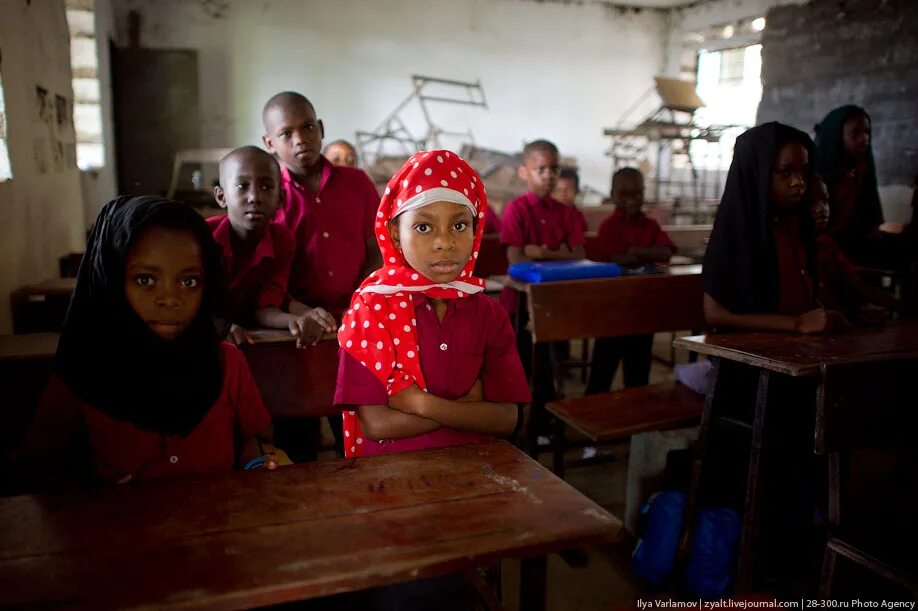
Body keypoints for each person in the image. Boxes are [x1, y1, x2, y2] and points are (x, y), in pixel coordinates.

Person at [16, 196, 275, 491]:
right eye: (145, 281)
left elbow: (250, 441)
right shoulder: (81, 373)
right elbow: (36, 471)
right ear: (111, 280)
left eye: (189, 282)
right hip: (117, 533)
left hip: (221, 528)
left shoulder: (224, 362)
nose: (170, 299)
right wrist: (86, 490)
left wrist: (256, 470)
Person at [334, 149, 530, 459]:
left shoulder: (490, 313)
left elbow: (506, 419)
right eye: (424, 227)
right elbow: (377, 424)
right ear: (396, 235)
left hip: (476, 470)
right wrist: (466, 407)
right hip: (393, 477)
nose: (445, 242)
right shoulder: (370, 310)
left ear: (475, 230)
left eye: (459, 225)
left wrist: (419, 403)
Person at [703, 122, 847, 334]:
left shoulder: (797, 226)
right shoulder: (735, 232)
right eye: (785, 172)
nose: (799, 182)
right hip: (749, 354)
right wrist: (797, 324)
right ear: (757, 174)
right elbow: (715, 313)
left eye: (803, 172)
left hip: (797, 347)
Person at [208, 146, 334, 347]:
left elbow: (266, 307)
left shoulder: (282, 241)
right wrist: (220, 326)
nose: (255, 197)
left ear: (280, 199)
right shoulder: (203, 239)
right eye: (242, 186)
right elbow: (188, 306)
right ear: (221, 196)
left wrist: (295, 321)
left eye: (266, 187)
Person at [587, 167, 676, 393]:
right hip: (612, 313)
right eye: (624, 195)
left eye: (637, 194)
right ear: (613, 193)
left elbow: (665, 253)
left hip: (643, 311)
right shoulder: (609, 226)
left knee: (638, 377)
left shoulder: (650, 225)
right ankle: (594, 420)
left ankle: (633, 422)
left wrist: (635, 251)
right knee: (602, 374)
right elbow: (617, 258)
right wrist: (647, 252)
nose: (631, 201)